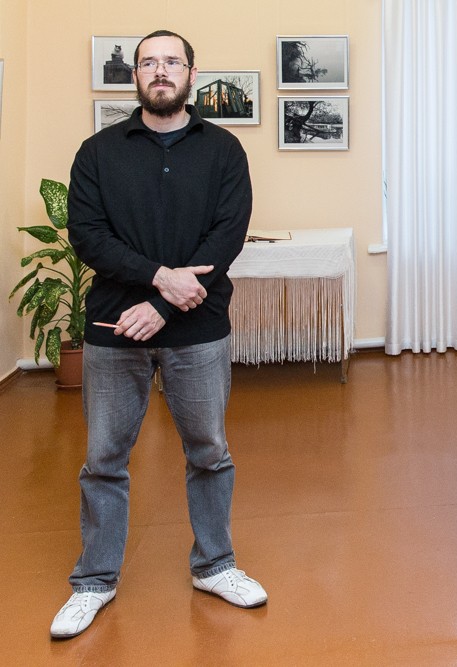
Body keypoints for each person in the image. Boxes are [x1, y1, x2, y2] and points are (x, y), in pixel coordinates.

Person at [50, 29, 267, 639]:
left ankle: (215, 566)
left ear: (192, 74)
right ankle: (94, 581)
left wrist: (163, 307)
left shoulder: (224, 151)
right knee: (103, 459)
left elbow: (227, 237)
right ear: (136, 76)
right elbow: (88, 236)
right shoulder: (97, 152)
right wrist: (158, 280)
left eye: (172, 61)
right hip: (114, 327)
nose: (161, 71)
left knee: (209, 452)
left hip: (198, 329)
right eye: (149, 62)